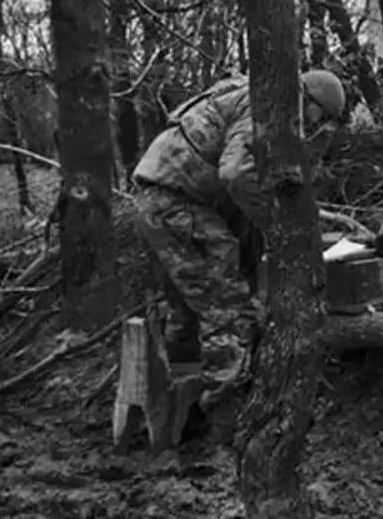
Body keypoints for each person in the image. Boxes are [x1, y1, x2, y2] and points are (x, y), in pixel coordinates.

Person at [132, 68, 347, 419]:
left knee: (189, 307)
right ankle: (224, 412)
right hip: (176, 199)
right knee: (226, 303)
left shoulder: (253, 89)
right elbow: (235, 173)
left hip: (166, 194)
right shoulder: (269, 104)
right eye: (319, 118)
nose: (315, 126)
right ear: (308, 101)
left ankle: (178, 412)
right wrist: (277, 224)